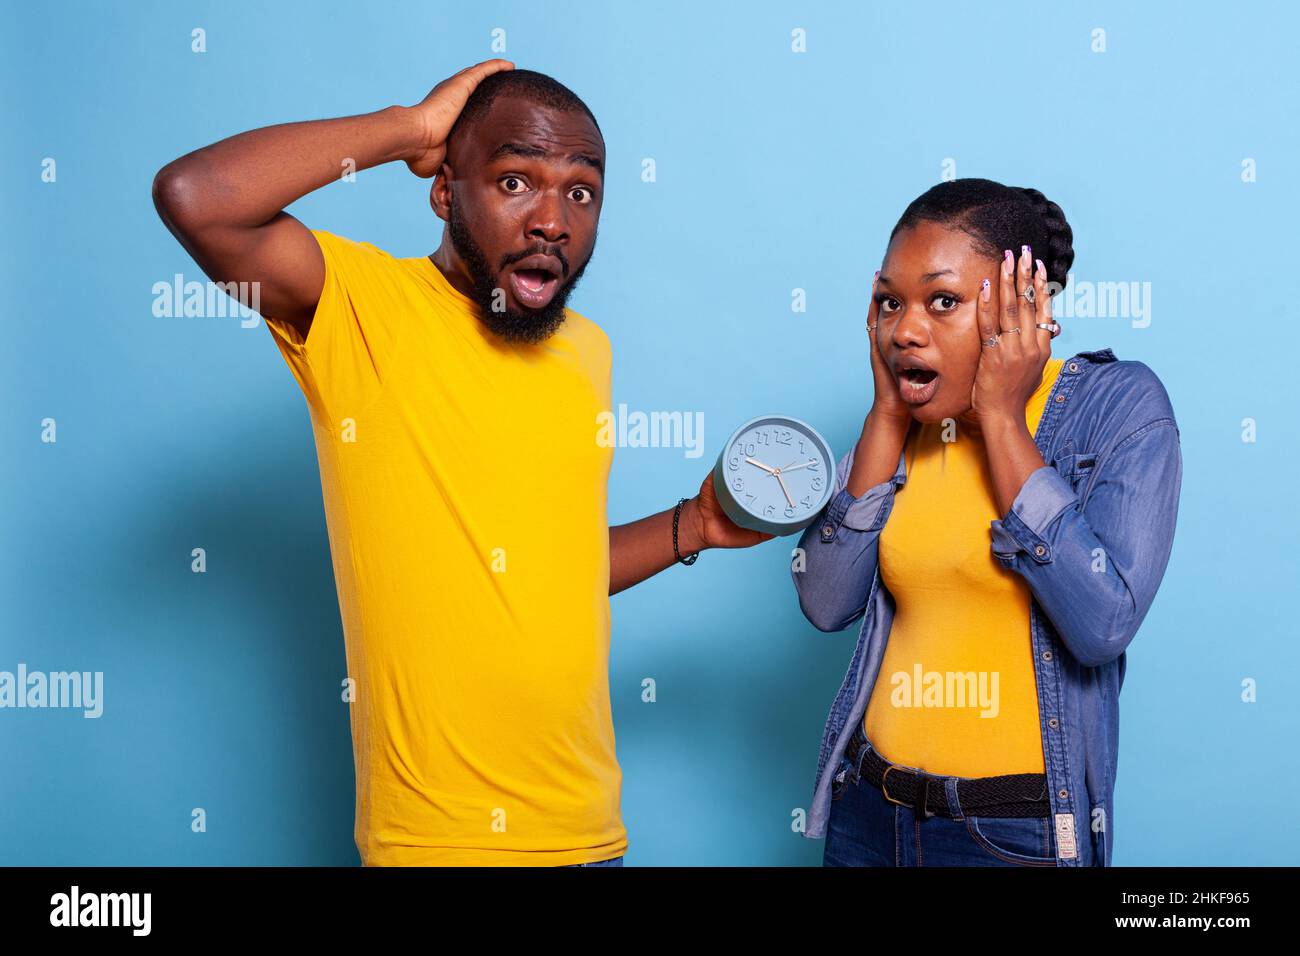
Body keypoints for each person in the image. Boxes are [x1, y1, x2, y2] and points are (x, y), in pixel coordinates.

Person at [152, 60, 770, 866]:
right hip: (440, 842)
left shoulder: (587, 353)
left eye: (580, 192)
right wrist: (410, 125)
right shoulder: (363, 306)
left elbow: (549, 568)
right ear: (446, 193)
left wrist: (693, 525)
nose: (552, 220)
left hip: (589, 835)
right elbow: (199, 198)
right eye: (516, 182)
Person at [791, 178, 1181, 866]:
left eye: (942, 301)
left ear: (1020, 303)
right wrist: (884, 415)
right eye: (890, 302)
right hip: (868, 817)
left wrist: (1001, 417)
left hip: (1010, 835)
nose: (905, 330)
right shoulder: (908, 424)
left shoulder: (1116, 406)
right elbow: (825, 602)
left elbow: (1103, 625)